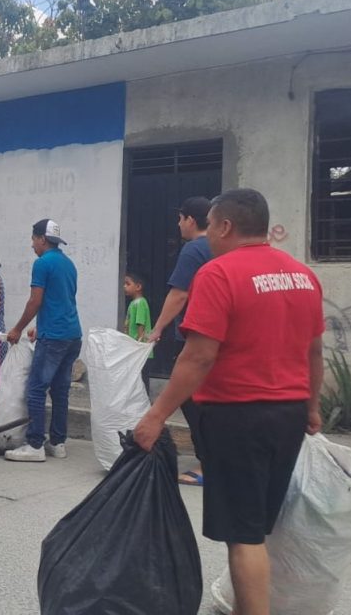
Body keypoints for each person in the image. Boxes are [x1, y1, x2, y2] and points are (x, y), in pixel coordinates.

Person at [133, 189, 324, 615]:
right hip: (290, 414)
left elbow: (199, 356)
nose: (207, 242)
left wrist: (156, 415)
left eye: (211, 231)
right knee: (259, 523)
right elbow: (315, 352)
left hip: (239, 415)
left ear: (224, 226)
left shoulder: (219, 274)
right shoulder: (301, 275)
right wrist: (312, 407)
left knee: (245, 534)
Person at [5, 219, 81, 463]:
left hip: (54, 337)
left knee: (36, 389)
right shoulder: (68, 264)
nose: (32, 245)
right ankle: (57, 443)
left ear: (41, 239)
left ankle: (35, 444)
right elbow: (61, 300)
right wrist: (40, 326)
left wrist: (17, 328)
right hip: (72, 334)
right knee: (60, 391)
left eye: (33, 240)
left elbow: (35, 301)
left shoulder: (42, 263)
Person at [150, 196, 213, 487]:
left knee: (190, 397)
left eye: (180, 218)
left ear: (190, 220)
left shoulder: (194, 249)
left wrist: (157, 328)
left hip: (193, 334)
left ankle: (208, 462)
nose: (178, 224)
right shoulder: (220, 247)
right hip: (217, 334)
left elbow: (179, 295)